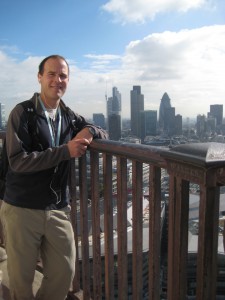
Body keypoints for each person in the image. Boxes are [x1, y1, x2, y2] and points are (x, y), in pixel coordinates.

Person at [0, 54, 107, 300]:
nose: (57, 80)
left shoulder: (68, 116)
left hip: (57, 207)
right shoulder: (22, 113)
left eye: (63, 75)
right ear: (39, 77)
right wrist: (64, 151)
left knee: (65, 270)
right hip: (22, 207)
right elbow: (17, 161)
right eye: (51, 74)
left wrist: (89, 131)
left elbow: (100, 128)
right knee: (20, 280)